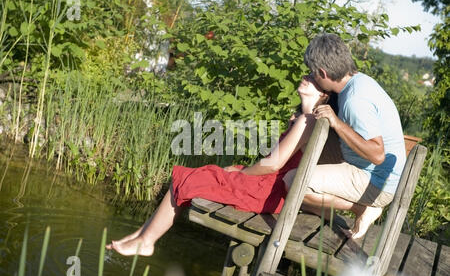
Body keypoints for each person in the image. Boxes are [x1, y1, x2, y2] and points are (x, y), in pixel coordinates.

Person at [106, 75, 332, 256]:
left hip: (267, 190)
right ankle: (143, 234)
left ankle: (146, 242)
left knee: (188, 177)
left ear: (323, 93)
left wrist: (244, 175)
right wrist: (243, 171)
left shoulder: (307, 120)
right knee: (204, 173)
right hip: (270, 186)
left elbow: (274, 166)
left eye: (312, 78)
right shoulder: (303, 118)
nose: (305, 76)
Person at [283, 33, 406, 239]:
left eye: (313, 73)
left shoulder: (355, 101)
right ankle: (324, 209)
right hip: (368, 168)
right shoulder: (358, 82)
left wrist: (337, 123)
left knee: (292, 181)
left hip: (376, 182)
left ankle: (362, 209)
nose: (311, 77)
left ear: (323, 72)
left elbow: (377, 155)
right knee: (308, 143)